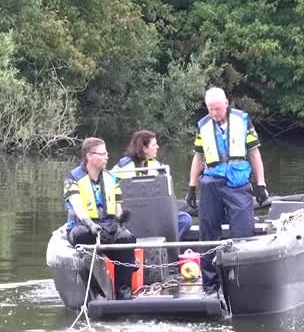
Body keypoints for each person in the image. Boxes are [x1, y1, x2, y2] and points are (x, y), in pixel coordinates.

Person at [184, 87, 268, 291]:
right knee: (207, 232)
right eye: (211, 110)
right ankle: (210, 285)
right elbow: (198, 157)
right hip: (211, 182)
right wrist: (192, 187)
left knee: (242, 232)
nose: (215, 114)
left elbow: (254, 154)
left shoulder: (242, 121)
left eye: (218, 109)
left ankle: (240, 283)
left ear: (226, 104)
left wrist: (261, 184)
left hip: (237, 182)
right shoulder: (203, 126)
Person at [62, 137, 137, 300]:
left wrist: (122, 216)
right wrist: (90, 224)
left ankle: (124, 291)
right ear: (89, 156)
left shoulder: (112, 178)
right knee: (83, 236)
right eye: (102, 154)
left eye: (106, 153)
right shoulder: (72, 179)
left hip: (107, 226)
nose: (107, 157)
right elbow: (78, 207)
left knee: (126, 238)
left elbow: (117, 210)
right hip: (82, 227)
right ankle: (95, 293)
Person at [112, 130, 193, 240]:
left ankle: (168, 249)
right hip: (132, 215)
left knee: (184, 219)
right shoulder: (123, 167)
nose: (158, 147)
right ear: (144, 148)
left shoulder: (156, 165)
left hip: (154, 213)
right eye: (154, 144)